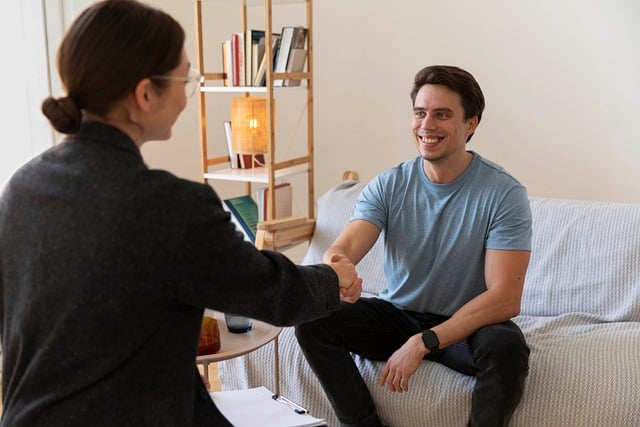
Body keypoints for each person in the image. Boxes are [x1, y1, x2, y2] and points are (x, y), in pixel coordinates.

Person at [0, 1, 361, 426]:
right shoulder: (171, 206)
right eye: (184, 77)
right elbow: (274, 293)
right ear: (145, 94)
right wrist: (334, 279)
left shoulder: (21, 187)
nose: (188, 93)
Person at [295, 65, 532, 427]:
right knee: (313, 318)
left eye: (442, 114)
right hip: (397, 314)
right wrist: (337, 267)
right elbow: (345, 246)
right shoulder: (390, 184)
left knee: (506, 346)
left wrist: (423, 342)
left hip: (463, 326)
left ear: (471, 124)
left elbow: (504, 298)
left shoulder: (504, 194)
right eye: (420, 113)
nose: (427, 125)